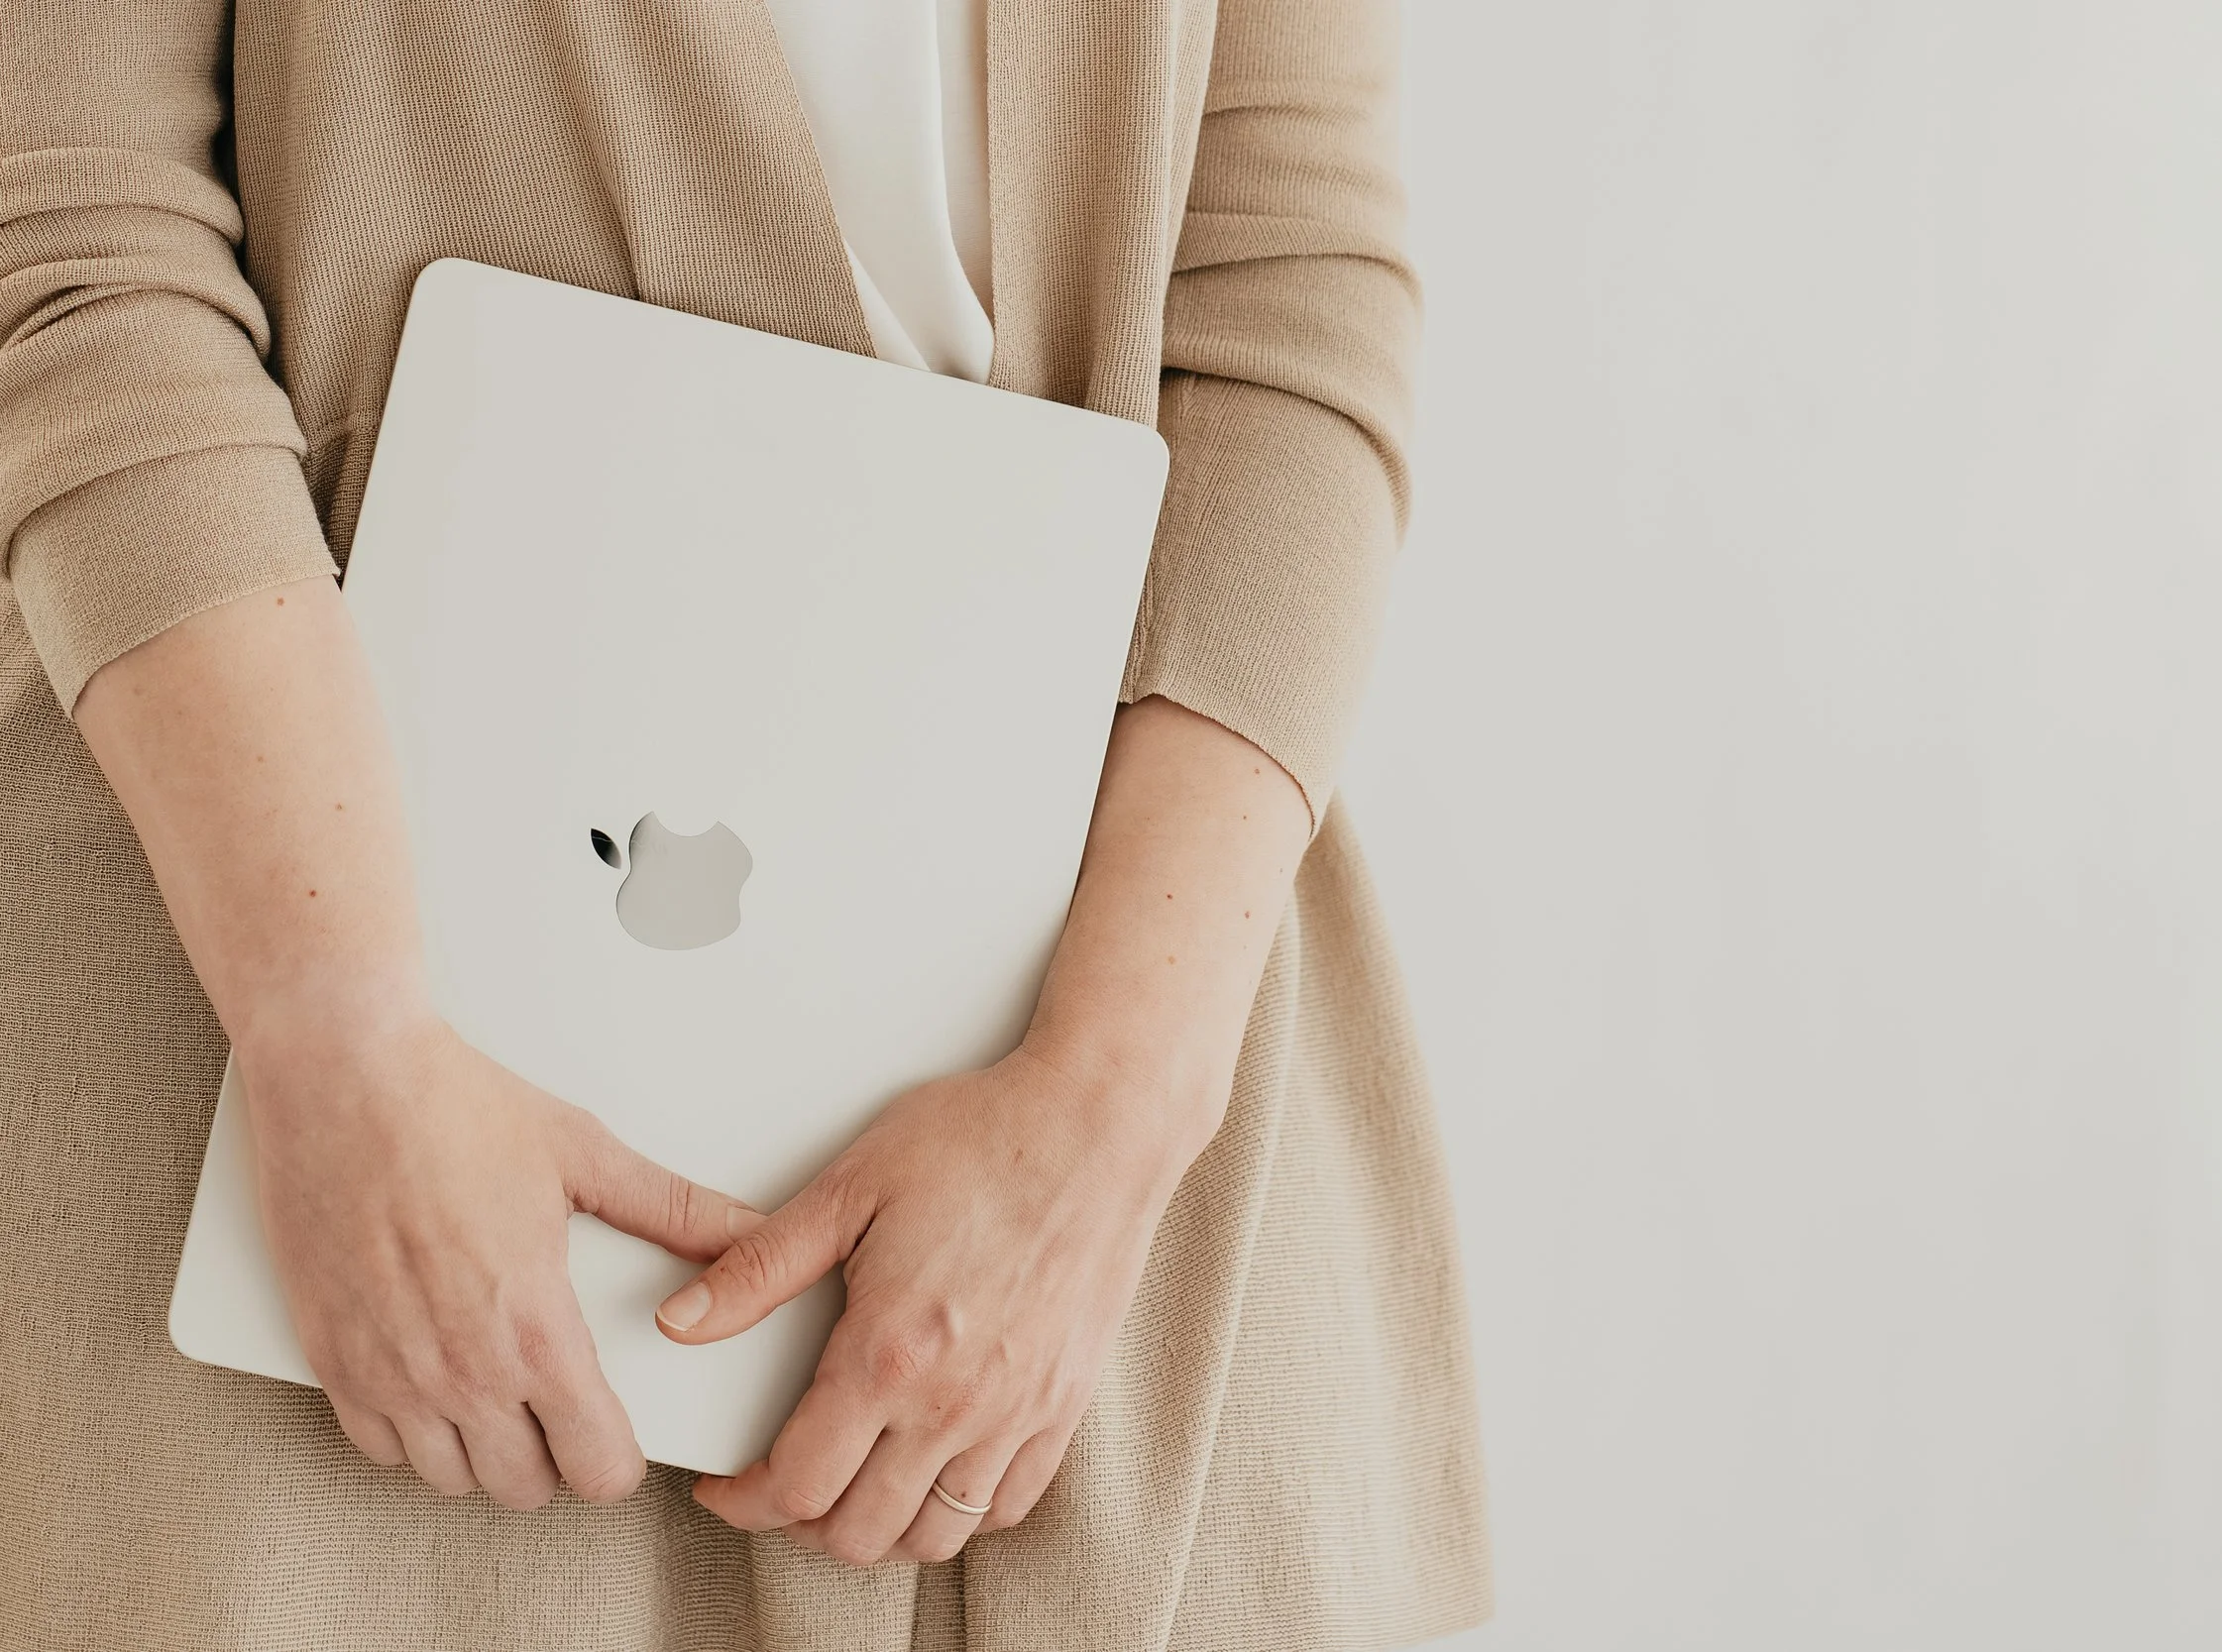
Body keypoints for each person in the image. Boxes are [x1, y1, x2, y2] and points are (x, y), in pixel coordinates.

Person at [0, 0, 1488, 1646]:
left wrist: (1112, 1104)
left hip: (1102, 1086)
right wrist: (332, 1022)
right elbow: (74, 248)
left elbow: (1293, 286)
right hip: (298, 1048)